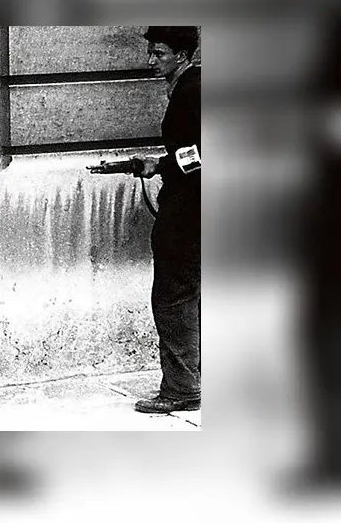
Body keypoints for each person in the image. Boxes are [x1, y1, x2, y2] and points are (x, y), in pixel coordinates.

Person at [131, 26, 201, 413]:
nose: (151, 60)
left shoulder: (192, 89)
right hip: (194, 206)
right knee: (191, 296)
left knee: (173, 299)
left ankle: (181, 389)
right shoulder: (191, 86)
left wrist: (163, 164)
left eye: (159, 53)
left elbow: (204, 152)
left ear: (182, 54)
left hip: (189, 212)